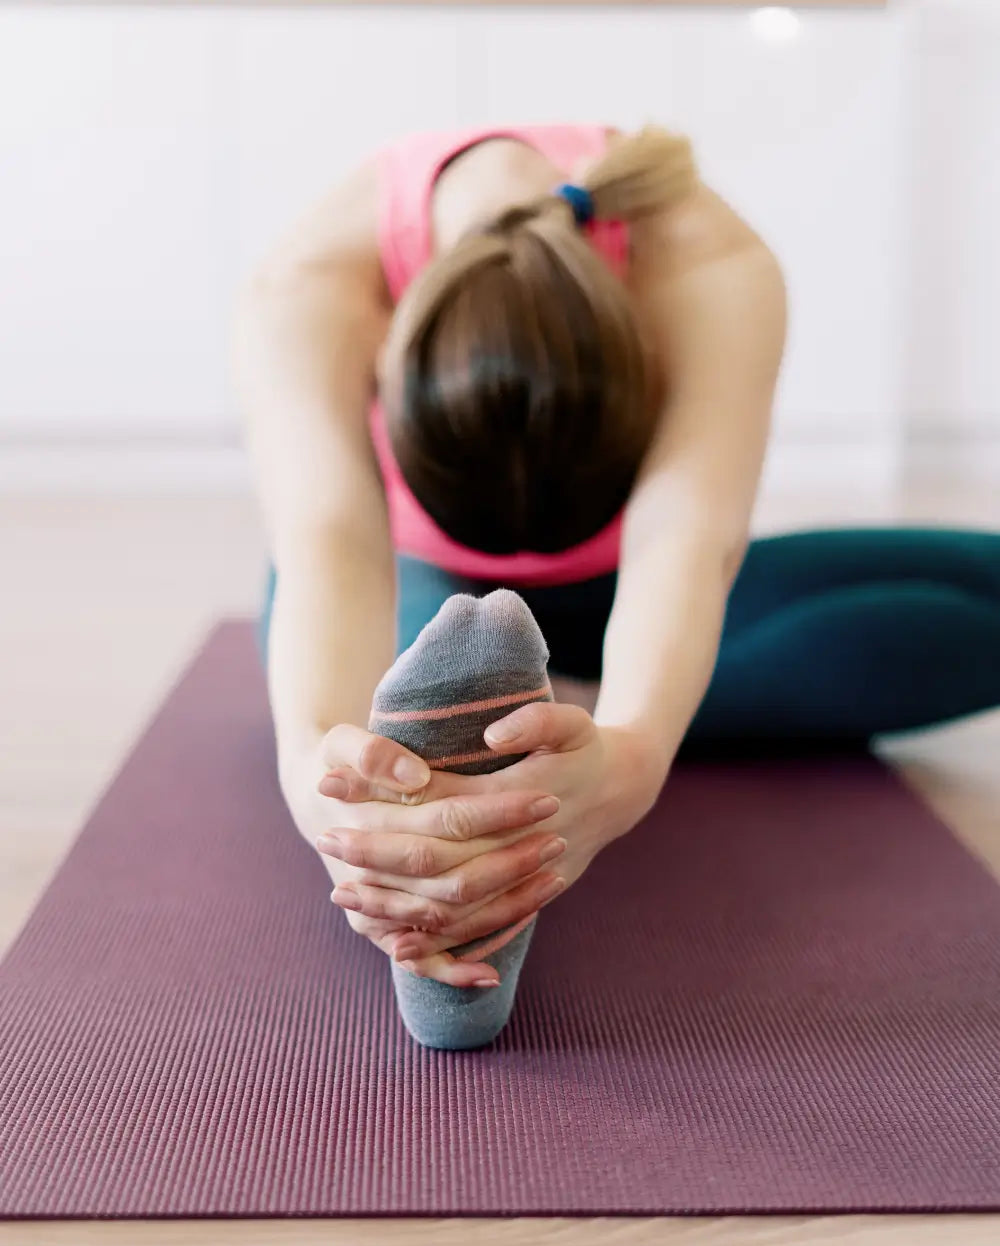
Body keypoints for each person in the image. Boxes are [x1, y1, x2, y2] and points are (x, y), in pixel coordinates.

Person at [237, 122, 1000, 1020]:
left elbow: (687, 540)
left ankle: (555, 695)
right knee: (349, 655)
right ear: (391, 344)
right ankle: (504, 704)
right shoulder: (315, 280)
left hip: (632, 582)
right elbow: (331, 538)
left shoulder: (706, 260)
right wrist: (324, 794)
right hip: (427, 596)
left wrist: (632, 758)